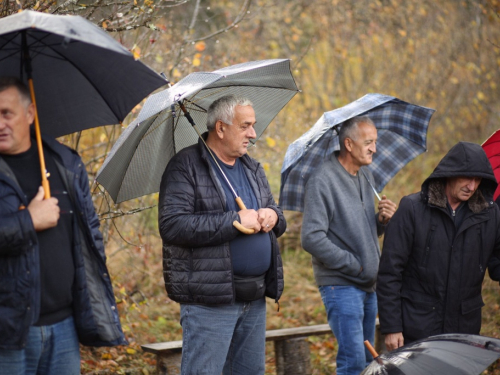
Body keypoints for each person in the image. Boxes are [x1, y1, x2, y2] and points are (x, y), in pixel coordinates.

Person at [0, 77, 126, 375]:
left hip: (65, 325)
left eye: (6, 114)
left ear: (30, 114)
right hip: (9, 330)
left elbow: (89, 231)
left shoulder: (64, 162)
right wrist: (29, 220)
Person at [158, 95, 286, 374]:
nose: (253, 134)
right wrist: (234, 220)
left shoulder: (251, 167)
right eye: (245, 126)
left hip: (254, 299)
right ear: (220, 128)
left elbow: (278, 214)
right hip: (210, 303)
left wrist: (272, 216)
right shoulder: (185, 166)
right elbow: (172, 225)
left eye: (253, 125)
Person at [377, 141, 500, 351]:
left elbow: (496, 265)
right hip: (417, 325)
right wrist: (392, 327)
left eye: (477, 179)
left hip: (465, 329)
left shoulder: (490, 215)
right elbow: (389, 273)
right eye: (467, 178)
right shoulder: (412, 209)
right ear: (450, 173)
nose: (472, 186)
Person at [301, 116, 397, 375]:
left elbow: (363, 231)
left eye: (374, 142)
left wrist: (382, 220)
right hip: (341, 285)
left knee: (367, 362)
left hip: (369, 285)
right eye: (368, 142)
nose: (374, 149)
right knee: (353, 363)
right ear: (349, 144)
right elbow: (311, 237)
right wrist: (356, 265)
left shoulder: (365, 174)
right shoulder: (322, 180)